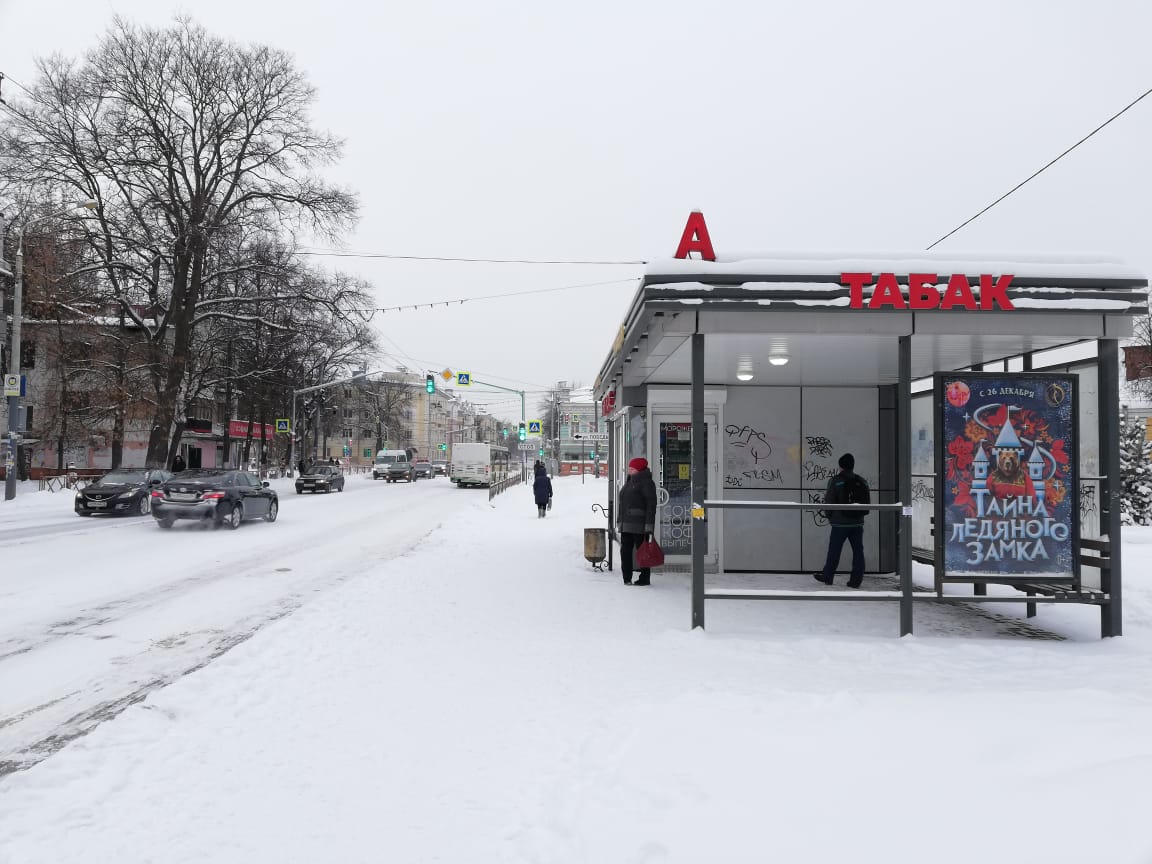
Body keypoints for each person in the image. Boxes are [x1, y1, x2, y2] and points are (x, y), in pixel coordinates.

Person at [815, 453, 870, 589]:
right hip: (857, 522)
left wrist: (830, 517)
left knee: (834, 550)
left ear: (840, 466)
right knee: (858, 551)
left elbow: (829, 501)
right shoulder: (862, 480)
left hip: (840, 523)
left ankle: (828, 576)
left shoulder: (836, 481)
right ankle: (856, 580)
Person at [617, 457, 657, 586]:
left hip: (640, 525)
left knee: (643, 552)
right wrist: (620, 521)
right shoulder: (630, 481)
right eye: (629, 468)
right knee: (625, 552)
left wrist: (649, 527)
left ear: (639, 469)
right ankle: (626, 577)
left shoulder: (646, 483)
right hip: (626, 525)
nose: (629, 470)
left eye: (632, 469)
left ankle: (645, 578)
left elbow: (651, 505)